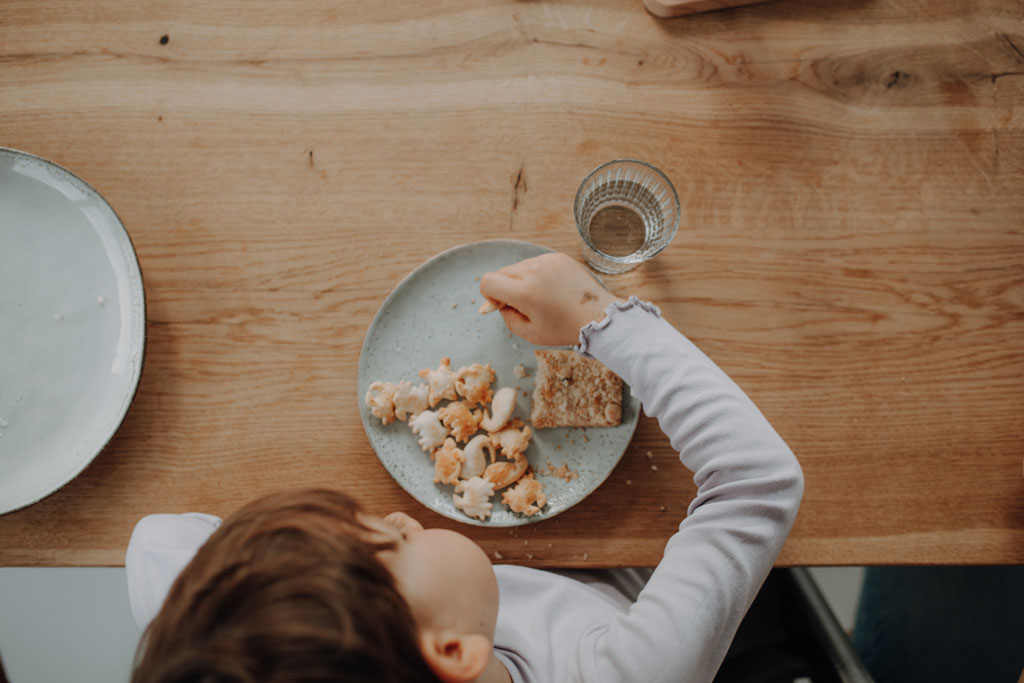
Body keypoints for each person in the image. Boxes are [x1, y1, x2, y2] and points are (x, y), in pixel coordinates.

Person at [125, 251, 804, 683]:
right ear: (453, 651)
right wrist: (600, 318)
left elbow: (151, 539)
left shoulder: (215, 643)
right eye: (394, 539)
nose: (395, 515)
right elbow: (757, 481)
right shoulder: (629, 671)